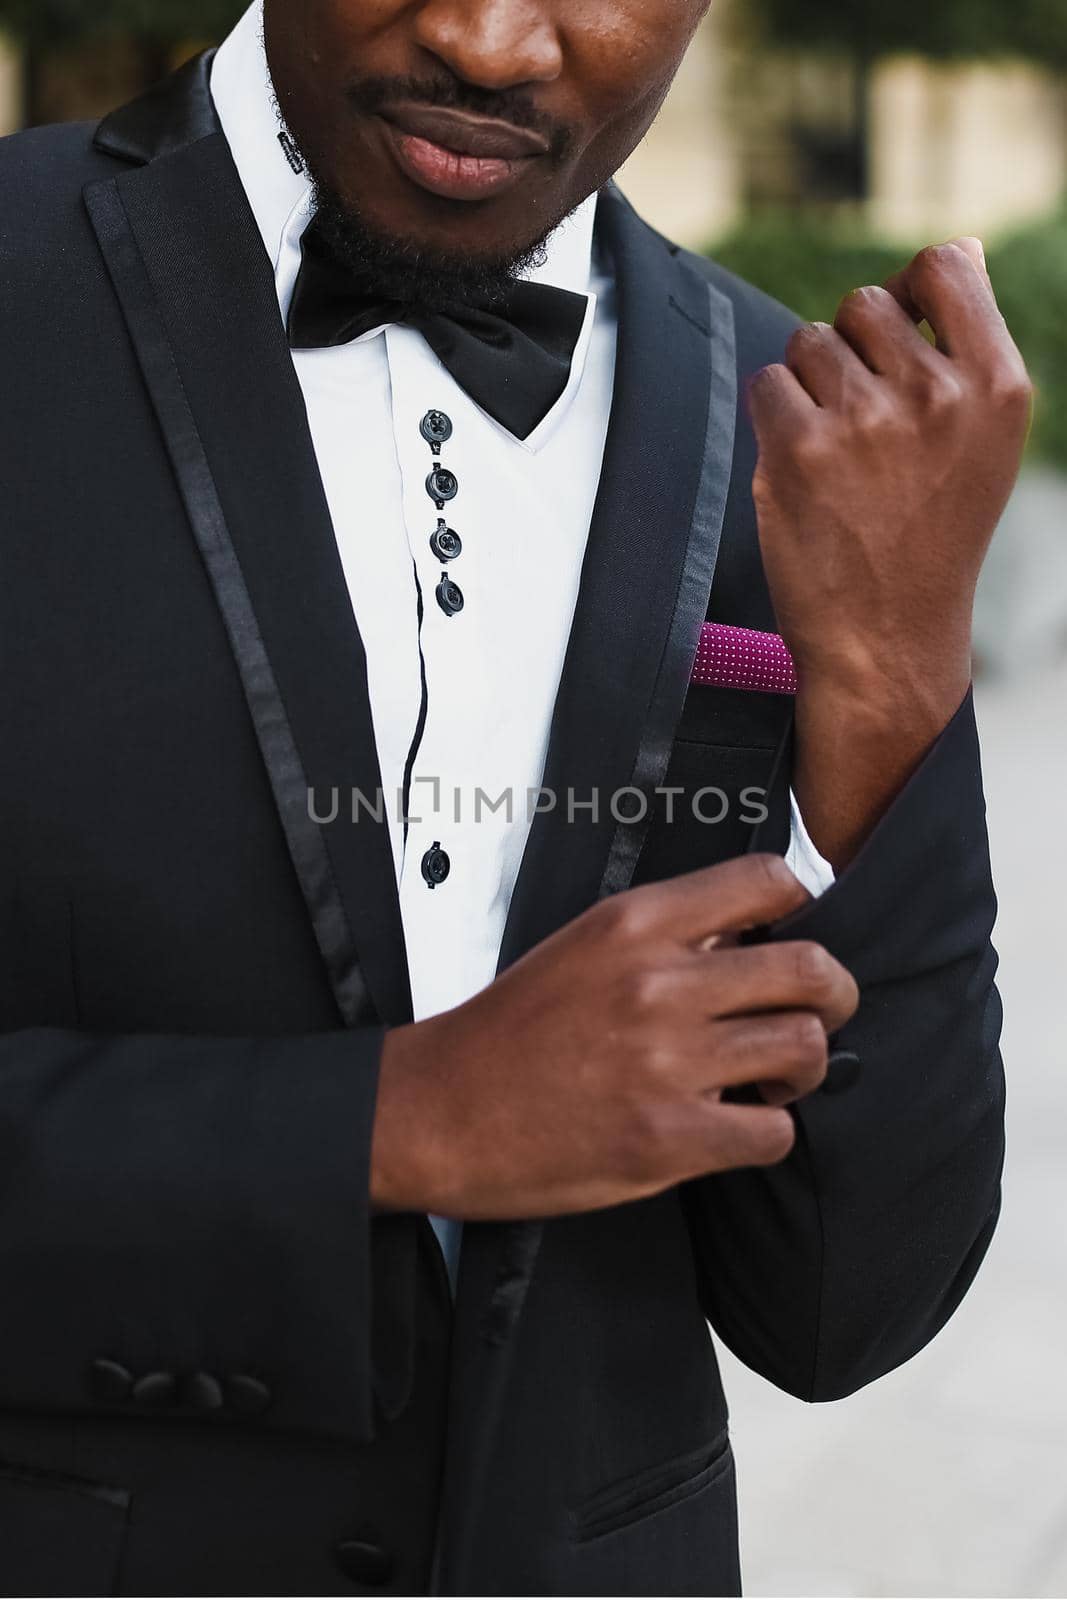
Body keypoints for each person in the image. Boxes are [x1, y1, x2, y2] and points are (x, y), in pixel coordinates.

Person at [0, 0, 1029, 1593]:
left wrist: (892, 696)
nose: (488, 41)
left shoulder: (800, 425)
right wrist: (390, 1127)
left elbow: (847, 1313)